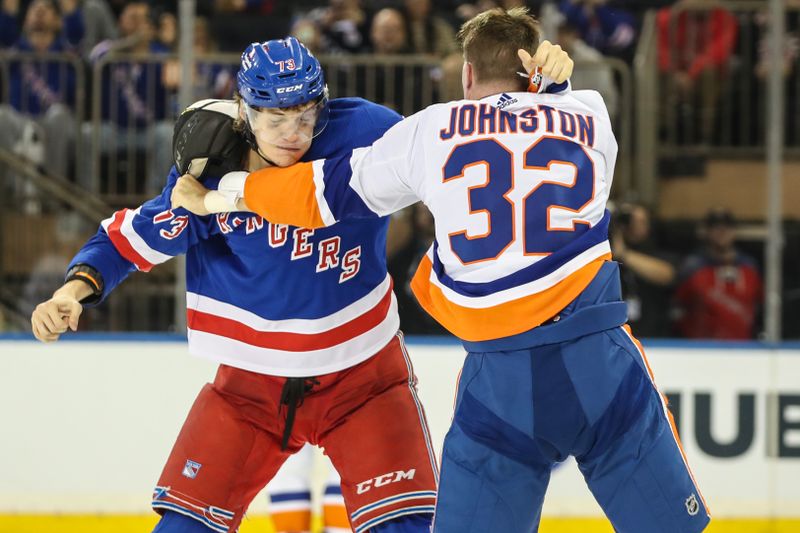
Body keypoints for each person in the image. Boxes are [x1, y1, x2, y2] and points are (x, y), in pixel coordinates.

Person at [173, 8, 711, 533]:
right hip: (600, 362)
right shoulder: (591, 111)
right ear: (538, 69)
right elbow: (555, 137)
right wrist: (557, 91)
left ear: (466, 73)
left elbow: (317, 196)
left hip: (501, 383)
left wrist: (224, 194)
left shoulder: (431, 131)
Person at [31, 33, 576, 533]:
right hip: (247, 390)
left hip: (364, 382)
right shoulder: (207, 164)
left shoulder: (365, 130)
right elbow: (130, 238)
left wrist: (543, 94)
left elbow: (470, 142)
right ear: (245, 111)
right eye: (275, 119)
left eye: (306, 114)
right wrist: (70, 290)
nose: (293, 134)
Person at [673, 207, 763, 340]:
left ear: (734, 231)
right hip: (700, 347)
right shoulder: (692, 267)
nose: (722, 232)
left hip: (744, 347)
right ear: (707, 231)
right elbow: (678, 307)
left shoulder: (749, 267)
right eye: (716, 227)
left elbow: (761, 306)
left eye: (727, 227)